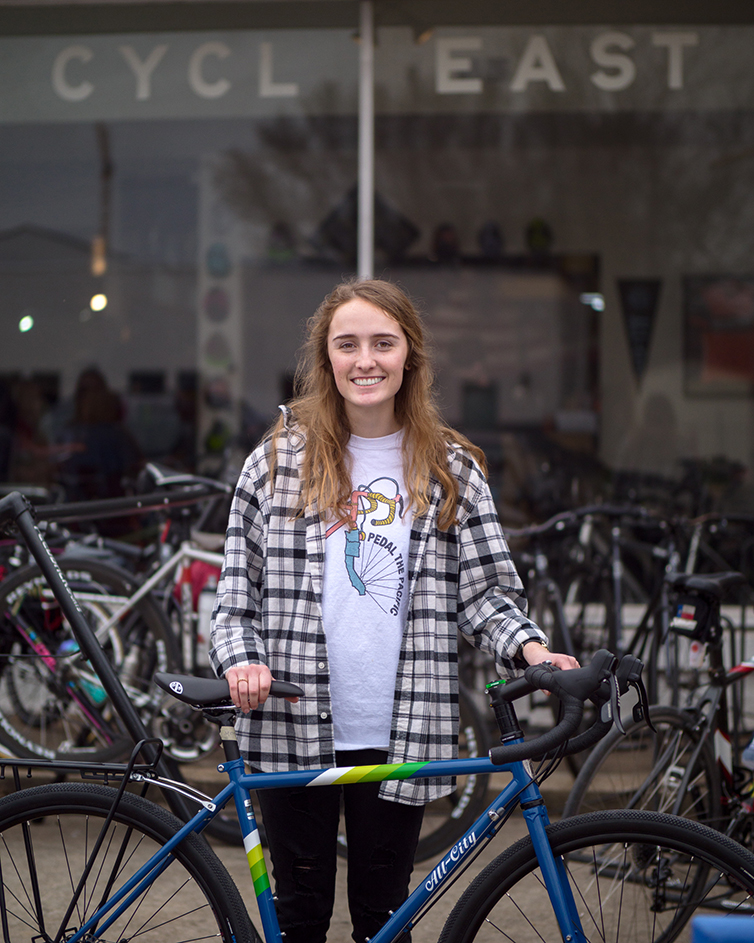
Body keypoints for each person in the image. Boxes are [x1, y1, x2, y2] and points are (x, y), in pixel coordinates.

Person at [210, 278, 579, 943]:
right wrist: (243, 662)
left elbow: (486, 592)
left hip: (401, 725)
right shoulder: (274, 465)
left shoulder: (451, 469)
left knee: (386, 919)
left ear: (410, 354)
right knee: (299, 918)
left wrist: (532, 649)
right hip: (292, 721)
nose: (366, 360)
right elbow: (234, 598)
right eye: (347, 344)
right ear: (327, 358)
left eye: (383, 342)